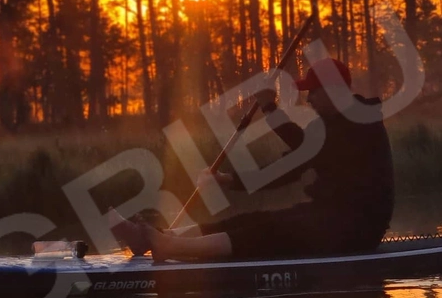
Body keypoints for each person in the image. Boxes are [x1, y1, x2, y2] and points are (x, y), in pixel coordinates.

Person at [110, 57, 394, 261]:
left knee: (269, 230)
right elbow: (296, 155)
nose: (308, 100)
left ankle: (170, 248)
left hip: (357, 229)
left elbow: (292, 160)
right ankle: (153, 239)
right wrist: (230, 178)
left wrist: (269, 109)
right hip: (331, 218)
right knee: (251, 219)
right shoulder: (332, 125)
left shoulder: (359, 123)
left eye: (312, 92)